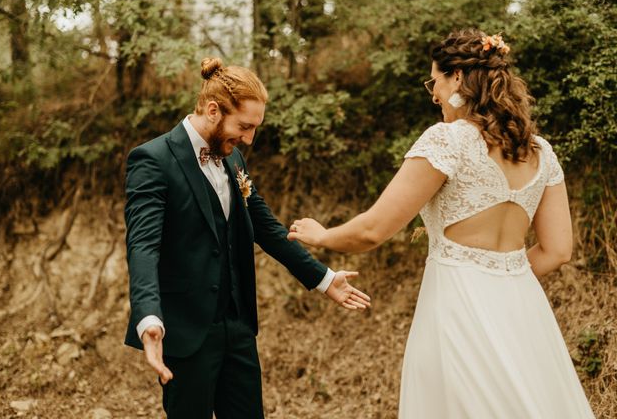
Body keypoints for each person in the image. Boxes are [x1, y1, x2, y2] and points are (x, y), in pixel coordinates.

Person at [288, 29, 595, 418]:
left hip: (457, 305)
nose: (432, 94)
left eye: (433, 81)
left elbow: (372, 231)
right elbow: (557, 251)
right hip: (523, 308)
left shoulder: (447, 141)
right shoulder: (540, 151)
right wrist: (503, 276)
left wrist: (322, 236)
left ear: (457, 79)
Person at [124, 57, 371, 419]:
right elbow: (143, 246)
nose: (249, 138)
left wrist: (323, 278)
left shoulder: (234, 157)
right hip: (186, 331)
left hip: (238, 328)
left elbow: (267, 229)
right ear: (212, 110)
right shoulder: (153, 159)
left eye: (255, 128)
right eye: (244, 126)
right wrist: (148, 318)